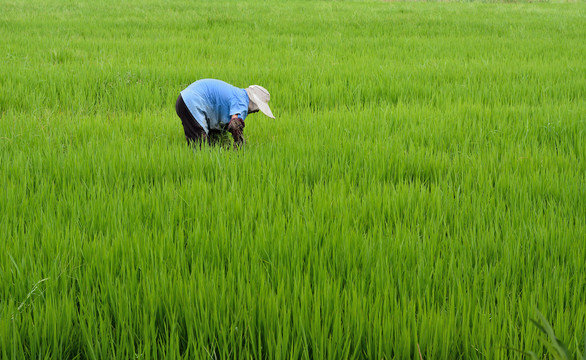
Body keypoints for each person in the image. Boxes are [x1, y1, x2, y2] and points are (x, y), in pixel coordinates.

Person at [175, 79, 275, 148]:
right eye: (257, 109)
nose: (256, 111)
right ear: (254, 102)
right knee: (201, 148)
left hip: (183, 101)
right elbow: (235, 124)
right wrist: (240, 147)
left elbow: (222, 125)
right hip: (192, 103)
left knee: (213, 140)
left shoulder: (237, 94)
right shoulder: (242, 102)